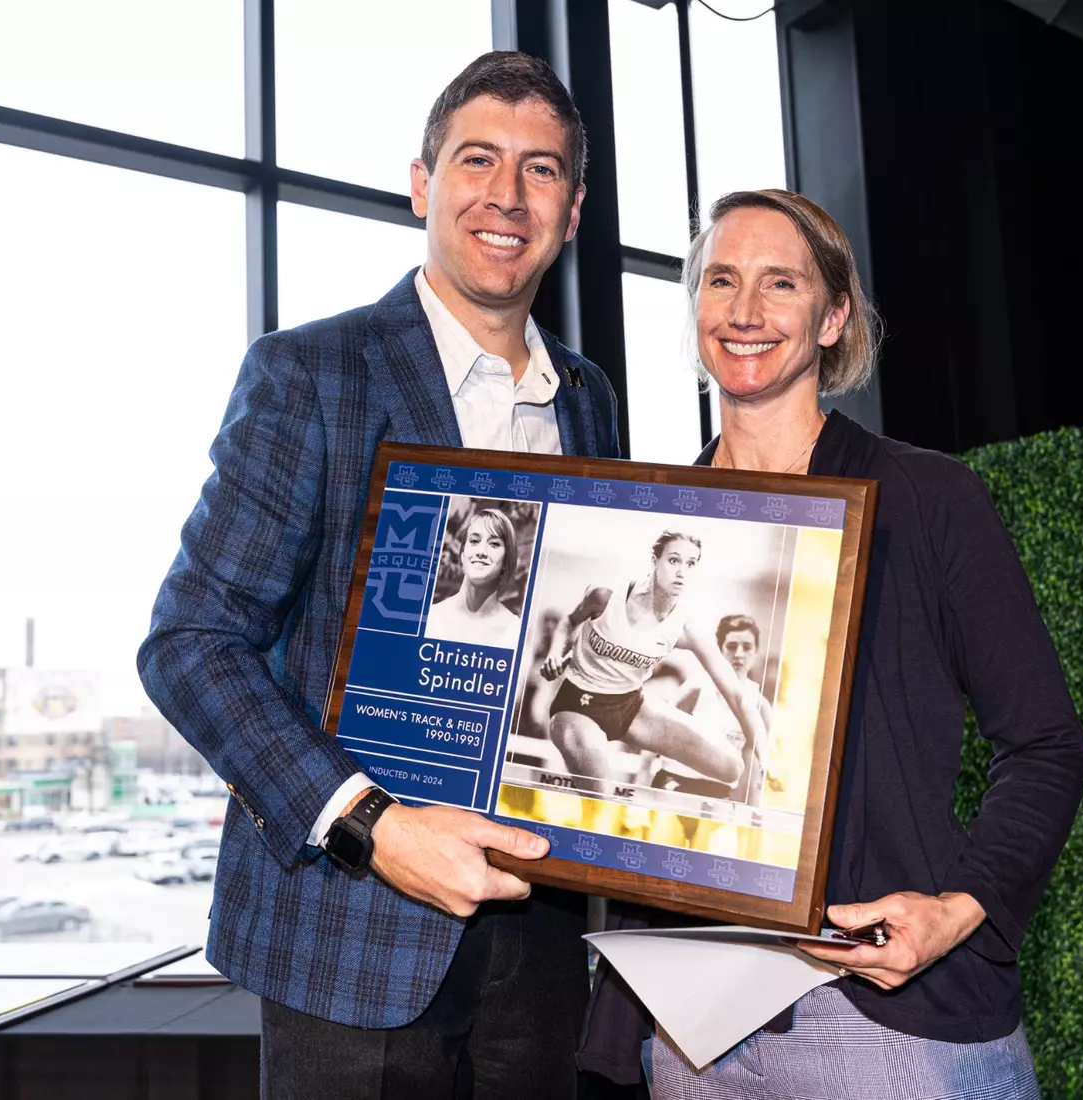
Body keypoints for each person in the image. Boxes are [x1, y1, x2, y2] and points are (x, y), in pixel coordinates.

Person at [138, 52, 619, 1100]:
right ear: (422, 182)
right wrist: (371, 825)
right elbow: (189, 643)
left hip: (538, 942)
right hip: (350, 937)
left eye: (541, 171)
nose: (506, 193)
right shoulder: (313, 373)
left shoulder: (587, 397)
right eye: (477, 159)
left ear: (573, 211)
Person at [579, 189, 1083, 1098]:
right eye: (721, 280)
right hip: (691, 1029)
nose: (744, 312)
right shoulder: (641, 521)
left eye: (781, 283)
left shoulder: (931, 500)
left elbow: (1047, 744)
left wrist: (954, 912)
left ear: (833, 316)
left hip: (885, 1014)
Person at [538, 532, 767, 794]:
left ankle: (667, 780)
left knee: (731, 767)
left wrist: (762, 753)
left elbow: (736, 695)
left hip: (629, 706)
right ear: (655, 560)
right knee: (601, 794)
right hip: (577, 705)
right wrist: (556, 653)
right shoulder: (606, 596)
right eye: (674, 560)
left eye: (691, 564)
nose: (682, 571)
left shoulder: (686, 625)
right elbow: (567, 622)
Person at [650, 613, 774, 805]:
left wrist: (752, 813)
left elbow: (753, 768)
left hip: (718, 793)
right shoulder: (695, 688)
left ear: (756, 652)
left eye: (747, 647)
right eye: (731, 646)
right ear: (719, 650)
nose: (739, 654)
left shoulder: (760, 706)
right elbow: (655, 739)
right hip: (674, 783)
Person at [425, 506, 524, 649]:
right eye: (474, 541)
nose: (481, 552)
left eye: (494, 544)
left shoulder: (514, 632)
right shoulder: (430, 617)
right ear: (462, 554)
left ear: (506, 561)